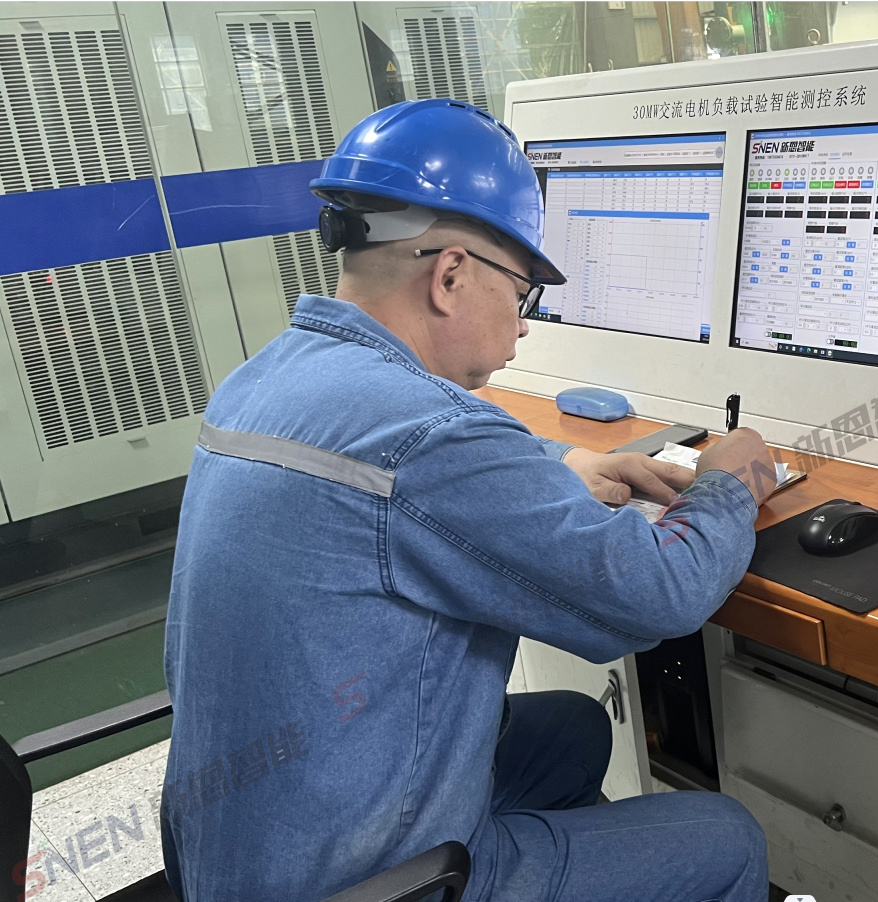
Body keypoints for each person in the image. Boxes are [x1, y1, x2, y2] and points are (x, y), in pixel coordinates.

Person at [160, 99, 777, 901]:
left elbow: (398, 472)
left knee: (570, 730)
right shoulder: (431, 435)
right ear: (450, 275)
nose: (523, 328)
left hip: (240, 851)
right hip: (357, 878)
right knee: (726, 838)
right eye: (522, 293)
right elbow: (660, 594)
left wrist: (563, 461)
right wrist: (730, 481)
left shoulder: (265, 378)